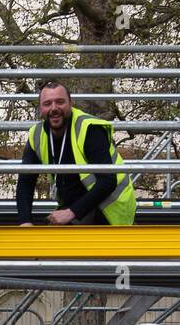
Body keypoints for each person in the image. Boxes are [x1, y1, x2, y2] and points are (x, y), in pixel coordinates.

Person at [16, 81, 136, 227]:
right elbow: (25, 183)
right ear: (40, 109)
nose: (54, 108)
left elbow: (107, 181)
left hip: (110, 208)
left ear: (71, 103)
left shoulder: (89, 128)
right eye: (47, 104)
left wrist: (70, 212)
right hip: (77, 206)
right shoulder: (37, 135)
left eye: (60, 102)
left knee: (64, 241)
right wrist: (25, 222)